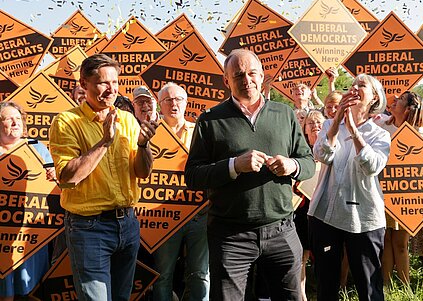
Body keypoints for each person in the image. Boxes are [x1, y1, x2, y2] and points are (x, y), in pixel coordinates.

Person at [185, 49, 315, 300]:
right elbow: (193, 176)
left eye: (252, 73)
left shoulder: (285, 114)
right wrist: (234, 166)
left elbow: (308, 162)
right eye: (239, 75)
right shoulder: (210, 120)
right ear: (226, 80)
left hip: (281, 230)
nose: (247, 79)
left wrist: (292, 166)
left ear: (262, 75)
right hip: (230, 235)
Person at [49, 54, 158, 301]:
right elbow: (67, 178)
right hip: (89, 228)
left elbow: (142, 172)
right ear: (84, 84)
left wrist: (143, 145)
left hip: (128, 225)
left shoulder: (128, 119)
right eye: (102, 83)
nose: (111, 89)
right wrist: (104, 142)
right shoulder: (67, 122)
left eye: (115, 82)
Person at [308, 74, 390, 301]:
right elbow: (321, 155)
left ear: (374, 98)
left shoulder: (380, 134)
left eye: (361, 86)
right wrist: (336, 123)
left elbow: (372, 166)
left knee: (369, 285)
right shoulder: (328, 125)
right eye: (352, 85)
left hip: (364, 219)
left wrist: (354, 131)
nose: (354, 88)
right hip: (326, 214)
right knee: (326, 282)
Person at [153, 82, 209, 301]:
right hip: (164, 214)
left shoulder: (200, 132)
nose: (173, 104)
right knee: (162, 274)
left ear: (186, 103)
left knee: (200, 274)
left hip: (198, 214)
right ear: (160, 104)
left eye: (178, 99)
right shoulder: (151, 133)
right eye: (168, 100)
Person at [0, 101, 56, 301]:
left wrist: (53, 174)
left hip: (30, 234)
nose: (15, 123)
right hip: (2, 234)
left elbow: (54, 184)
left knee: (28, 289)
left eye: (18, 118)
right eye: (8, 118)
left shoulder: (36, 147)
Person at [375, 91, 423, 286]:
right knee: (386, 240)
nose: (394, 100)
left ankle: (405, 288)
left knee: (400, 243)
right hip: (382, 193)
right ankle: (386, 286)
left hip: (406, 196)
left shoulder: (419, 133)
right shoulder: (381, 125)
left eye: (400, 99)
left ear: (408, 109)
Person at [294, 110, 325, 301]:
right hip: (302, 210)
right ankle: (302, 295)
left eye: (319, 122)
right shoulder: (298, 151)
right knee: (301, 257)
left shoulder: (333, 148)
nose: (315, 126)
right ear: (304, 128)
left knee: (325, 257)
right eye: (310, 123)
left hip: (325, 211)